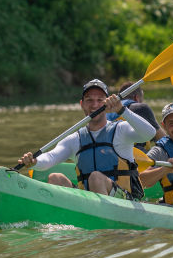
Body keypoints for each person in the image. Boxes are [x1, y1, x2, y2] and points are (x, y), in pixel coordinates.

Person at [17, 79, 156, 200]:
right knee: (55, 178)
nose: (94, 105)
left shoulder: (121, 130)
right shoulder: (74, 139)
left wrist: (122, 110)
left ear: (107, 103)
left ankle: (104, 227)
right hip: (88, 202)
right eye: (89, 100)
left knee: (96, 177)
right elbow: (50, 158)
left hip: (124, 200)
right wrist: (34, 162)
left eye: (100, 100)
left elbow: (149, 133)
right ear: (82, 104)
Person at [106, 80, 165, 150]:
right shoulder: (140, 108)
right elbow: (162, 139)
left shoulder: (106, 111)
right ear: (136, 98)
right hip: (132, 158)